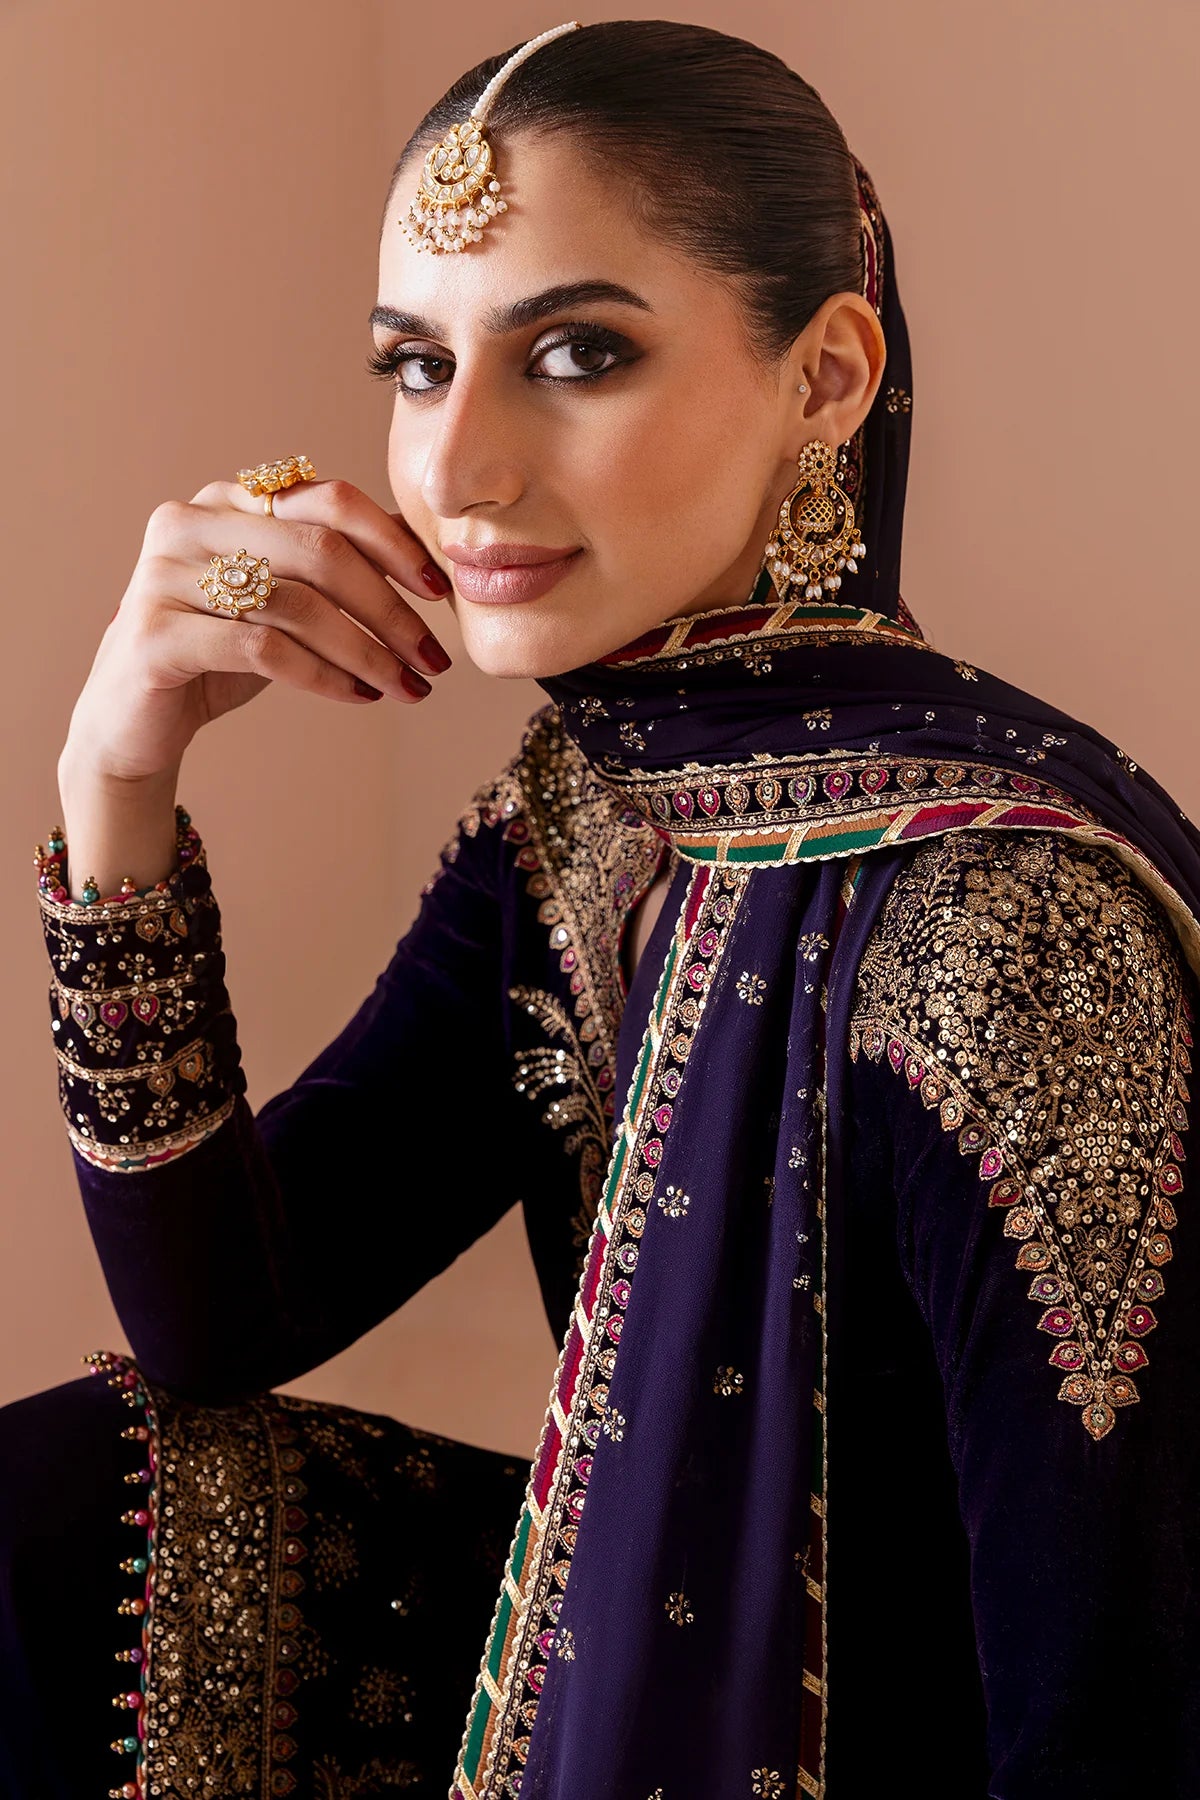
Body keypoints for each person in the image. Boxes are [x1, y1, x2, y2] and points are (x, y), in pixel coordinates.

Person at [5, 16, 1199, 1799]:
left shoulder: (1002, 932)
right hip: (678, 1674)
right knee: (49, 1521)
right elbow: (223, 1324)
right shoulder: (594, 815)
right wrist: (117, 780)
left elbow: (1113, 1704)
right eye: (416, 366)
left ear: (829, 377)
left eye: (574, 352)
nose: (459, 467)